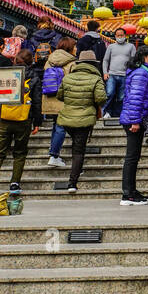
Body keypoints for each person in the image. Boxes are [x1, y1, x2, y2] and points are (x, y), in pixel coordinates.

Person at [0, 48, 41, 196]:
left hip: (3, 117)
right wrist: (37, 121)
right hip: (23, 119)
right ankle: (14, 183)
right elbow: (37, 101)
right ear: (31, 62)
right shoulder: (34, 77)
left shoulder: (7, 75)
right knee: (20, 152)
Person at [56, 49, 106, 193]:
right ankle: (72, 182)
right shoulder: (96, 79)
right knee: (78, 150)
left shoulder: (67, 78)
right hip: (85, 118)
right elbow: (101, 98)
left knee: (76, 146)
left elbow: (60, 96)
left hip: (67, 118)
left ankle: (77, 170)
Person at [118, 45, 148, 206]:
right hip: (134, 119)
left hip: (138, 118)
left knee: (134, 157)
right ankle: (127, 194)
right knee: (131, 157)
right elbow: (135, 98)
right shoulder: (141, 73)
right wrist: (135, 121)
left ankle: (132, 191)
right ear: (144, 57)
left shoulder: (141, 71)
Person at [42, 37, 76, 168]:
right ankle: (54, 155)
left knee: (56, 125)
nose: (76, 49)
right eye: (74, 46)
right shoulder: (71, 63)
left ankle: (53, 152)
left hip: (50, 98)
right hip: (63, 99)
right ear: (69, 47)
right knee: (61, 127)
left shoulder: (49, 61)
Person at [102, 27, 137, 119]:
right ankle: (106, 112)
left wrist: (131, 73)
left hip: (125, 75)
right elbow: (105, 60)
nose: (120, 37)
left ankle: (118, 114)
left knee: (121, 97)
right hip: (112, 74)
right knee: (109, 93)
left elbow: (134, 61)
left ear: (125, 36)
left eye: (121, 35)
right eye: (118, 35)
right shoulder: (111, 47)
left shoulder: (131, 46)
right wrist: (105, 72)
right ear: (115, 36)